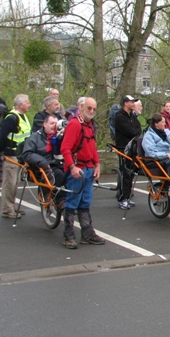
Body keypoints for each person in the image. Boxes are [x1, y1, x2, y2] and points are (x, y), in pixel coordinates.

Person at [60, 97, 105, 249]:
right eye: (89, 108)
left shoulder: (89, 125)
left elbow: (92, 146)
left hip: (88, 169)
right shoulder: (74, 124)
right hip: (78, 169)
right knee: (72, 203)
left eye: (94, 109)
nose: (91, 111)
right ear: (81, 107)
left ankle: (87, 233)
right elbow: (65, 148)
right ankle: (69, 235)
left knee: (85, 202)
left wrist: (97, 165)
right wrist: (72, 167)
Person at [0, 94, 32, 219]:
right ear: (21, 104)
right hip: (11, 154)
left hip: (19, 155)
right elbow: (1, 136)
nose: (29, 105)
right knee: (9, 183)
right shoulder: (12, 118)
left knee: (15, 182)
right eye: (27, 102)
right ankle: (7, 209)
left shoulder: (22, 117)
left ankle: (11, 206)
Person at [20, 115, 66, 207]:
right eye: (51, 123)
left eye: (56, 124)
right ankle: (60, 200)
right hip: (41, 167)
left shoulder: (58, 136)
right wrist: (43, 162)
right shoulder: (35, 137)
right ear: (44, 124)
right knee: (59, 174)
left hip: (57, 163)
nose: (54, 126)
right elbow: (27, 154)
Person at [114, 95, 143, 209]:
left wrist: (135, 132)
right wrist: (134, 132)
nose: (133, 104)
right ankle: (122, 198)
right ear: (126, 103)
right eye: (131, 102)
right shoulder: (120, 116)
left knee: (131, 173)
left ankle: (127, 196)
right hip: (123, 148)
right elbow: (129, 131)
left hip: (133, 148)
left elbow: (138, 129)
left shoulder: (132, 116)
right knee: (124, 173)